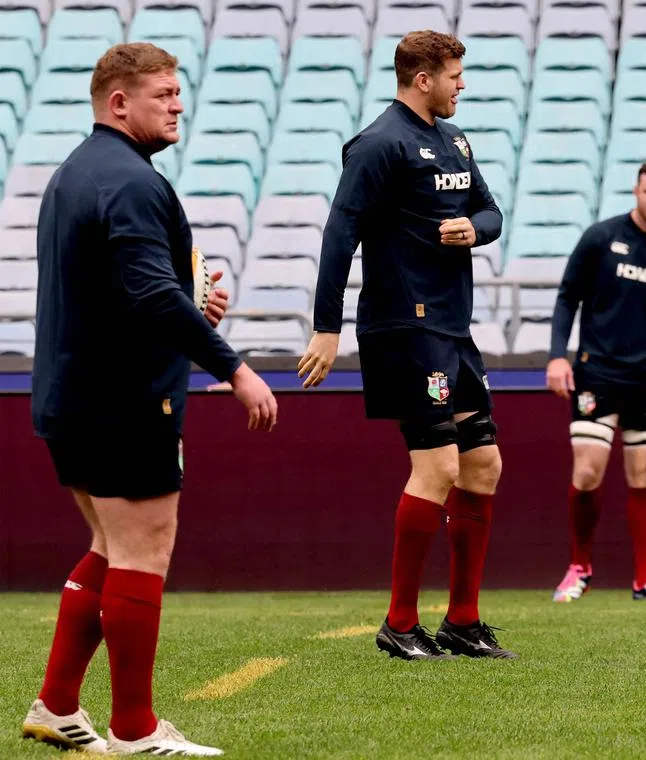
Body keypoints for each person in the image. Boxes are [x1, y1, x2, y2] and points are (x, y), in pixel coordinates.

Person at [22, 42, 277, 756]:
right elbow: (150, 293)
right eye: (163, 93)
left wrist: (193, 305)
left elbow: (128, 290)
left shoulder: (77, 172)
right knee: (144, 550)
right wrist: (235, 368)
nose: (178, 104)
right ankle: (135, 730)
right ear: (118, 103)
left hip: (70, 397)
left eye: (177, 91)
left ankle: (57, 706)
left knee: (109, 546)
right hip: (124, 400)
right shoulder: (130, 181)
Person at [298, 31, 513, 660]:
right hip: (404, 325)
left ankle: (463, 622)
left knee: (483, 466)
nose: (461, 86)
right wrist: (326, 325)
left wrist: (473, 228)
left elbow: (494, 213)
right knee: (439, 467)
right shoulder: (378, 143)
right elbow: (340, 235)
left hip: (452, 326)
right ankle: (399, 623)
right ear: (423, 79)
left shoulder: (455, 141)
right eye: (454, 75)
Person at [546, 160, 646, 603]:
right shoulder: (601, 238)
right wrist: (556, 357)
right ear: (636, 190)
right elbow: (566, 298)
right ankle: (578, 567)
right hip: (595, 372)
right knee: (586, 472)